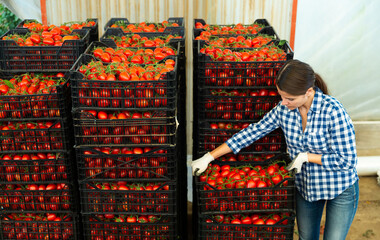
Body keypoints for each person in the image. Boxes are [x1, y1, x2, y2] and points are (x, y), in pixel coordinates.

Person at [191, 59, 359, 240]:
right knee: (306, 237)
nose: (284, 102)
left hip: (340, 187)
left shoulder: (333, 112)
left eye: (290, 98)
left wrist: (308, 157)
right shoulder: (284, 110)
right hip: (307, 188)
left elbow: (347, 160)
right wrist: (209, 156)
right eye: (281, 96)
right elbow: (253, 132)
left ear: (308, 92)